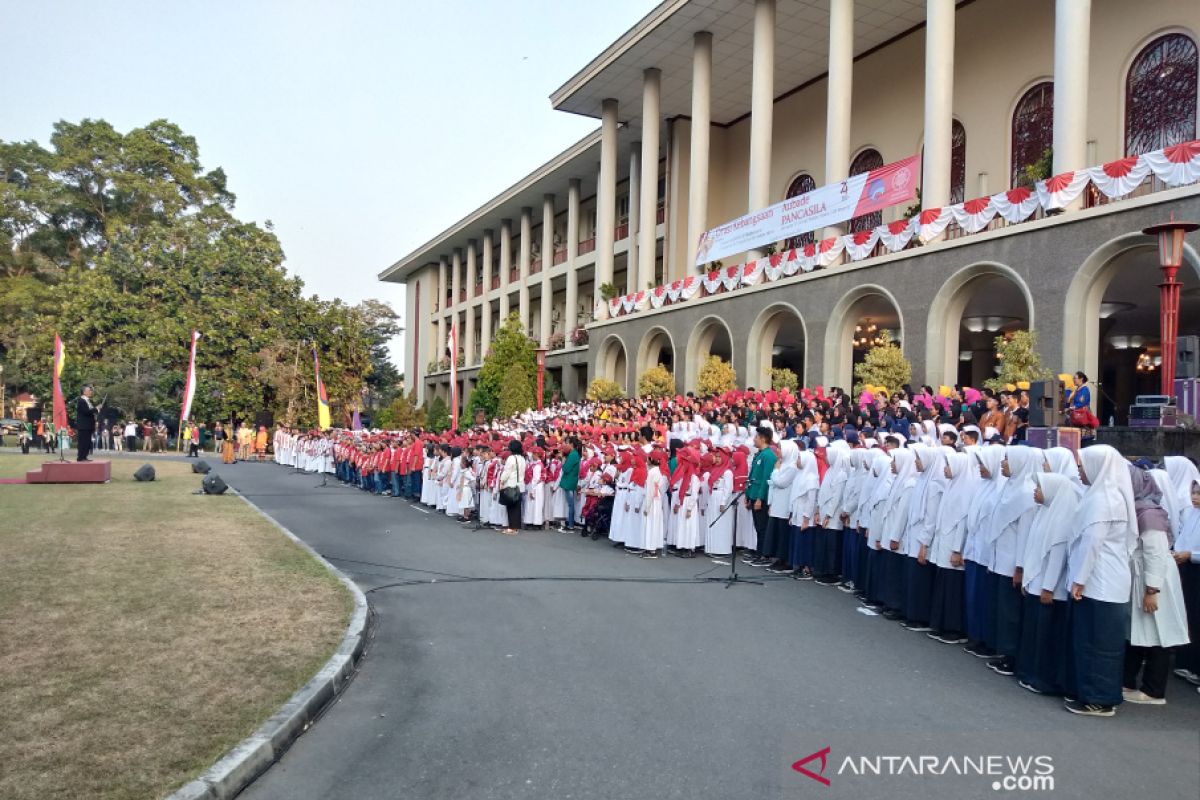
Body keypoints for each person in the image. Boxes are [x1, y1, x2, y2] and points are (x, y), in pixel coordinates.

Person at [1065, 445, 1136, 717]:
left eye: (1083, 466)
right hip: (1106, 581)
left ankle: (1100, 698)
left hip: (1101, 583)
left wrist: (1079, 579)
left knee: (1098, 644)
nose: (1079, 471)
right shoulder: (1106, 495)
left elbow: (1091, 545)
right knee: (1098, 642)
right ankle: (1093, 693)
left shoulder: (1103, 500)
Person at [1122, 466, 1189, 704]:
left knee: (1158, 633)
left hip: (1153, 578)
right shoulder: (1138, 509)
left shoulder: (1148, 513)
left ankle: (1154, 690)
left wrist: (1152, 589)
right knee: (1139, 631)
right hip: (1143, 577)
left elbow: (1155, 553)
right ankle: (1129, 682)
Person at [499, 440, 526, 534]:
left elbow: (507, 472)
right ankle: (515, 526)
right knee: (517, 507)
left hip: (511, 484)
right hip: (520, 485)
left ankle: (512, 528)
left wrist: (501, 480)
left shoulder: (511, 458)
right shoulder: (522, 458)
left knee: (511, 507)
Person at [73, 385, 101, 462]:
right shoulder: (81, 401)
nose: (91, 392)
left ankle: (84, 456)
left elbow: (91, 411)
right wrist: (96, 409)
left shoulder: (88, 401)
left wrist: (96, 409)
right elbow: (86, 412)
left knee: (87, 442)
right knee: (83, 442)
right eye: (89, 391)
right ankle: (80, 457)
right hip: (83, 425)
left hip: (89, 425)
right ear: (84, 392)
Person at [558, 438, 581, 532]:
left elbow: (566, 469)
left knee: (571, 504)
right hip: (570, 480)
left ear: (571, 444)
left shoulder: (573, 454)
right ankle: (570, 524)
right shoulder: (574, 454)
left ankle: (570, 525)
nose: (565, 445)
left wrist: (563, 462)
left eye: (567, 443)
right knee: (570, 504)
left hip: (570, 481)